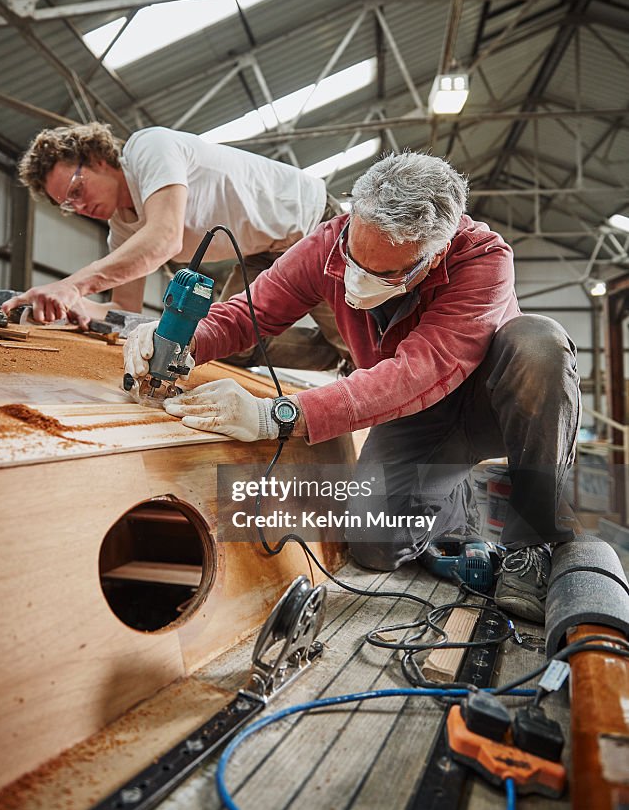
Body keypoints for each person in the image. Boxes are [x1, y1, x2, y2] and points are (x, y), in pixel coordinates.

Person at [123, 151, 581, 624]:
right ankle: (450, 505)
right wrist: (182, 340)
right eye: (354, 258)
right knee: (374, 544)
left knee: (538, 343)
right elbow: (249, 312)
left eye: (385, 273)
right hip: (420, 417)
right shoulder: (328, 243)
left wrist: (276, 415)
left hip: (489, 404)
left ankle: (534, 542)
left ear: (436, 253)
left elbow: (420, 371)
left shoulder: (483, 259)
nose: (358, 278)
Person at [1, 123, 349, 370]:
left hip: (310, 221)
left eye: (76, 189)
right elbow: (125, 308)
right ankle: (335, 351)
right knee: (226, 343)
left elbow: (165, 239)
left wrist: (71, 285)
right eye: (67, 205)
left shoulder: (148, 148)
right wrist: (74, 306)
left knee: (361, 349)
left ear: (98, 159)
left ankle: (347, 348)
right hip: (263, 251)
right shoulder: (123, 228)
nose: (78, 207)